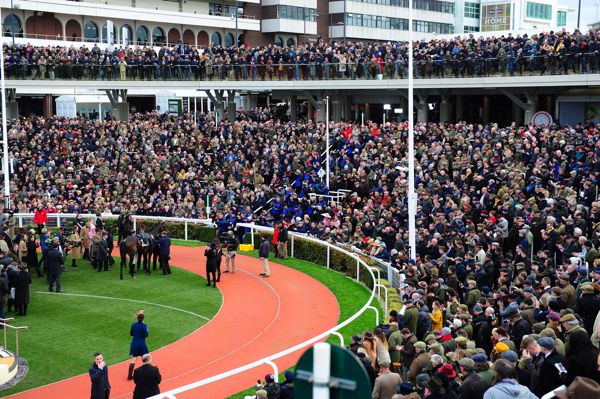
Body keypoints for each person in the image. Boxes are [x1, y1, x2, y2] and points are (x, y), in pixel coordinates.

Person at [128, 310, 149, 381]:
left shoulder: (133, 325)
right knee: (146, 359)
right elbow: (146, 335)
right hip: (142, 344)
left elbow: (131, 334)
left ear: (137, 318)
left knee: (133, 359)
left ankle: (129, 376)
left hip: (134, 343)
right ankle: (146, 374)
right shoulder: (144, 326)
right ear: (143, 318)